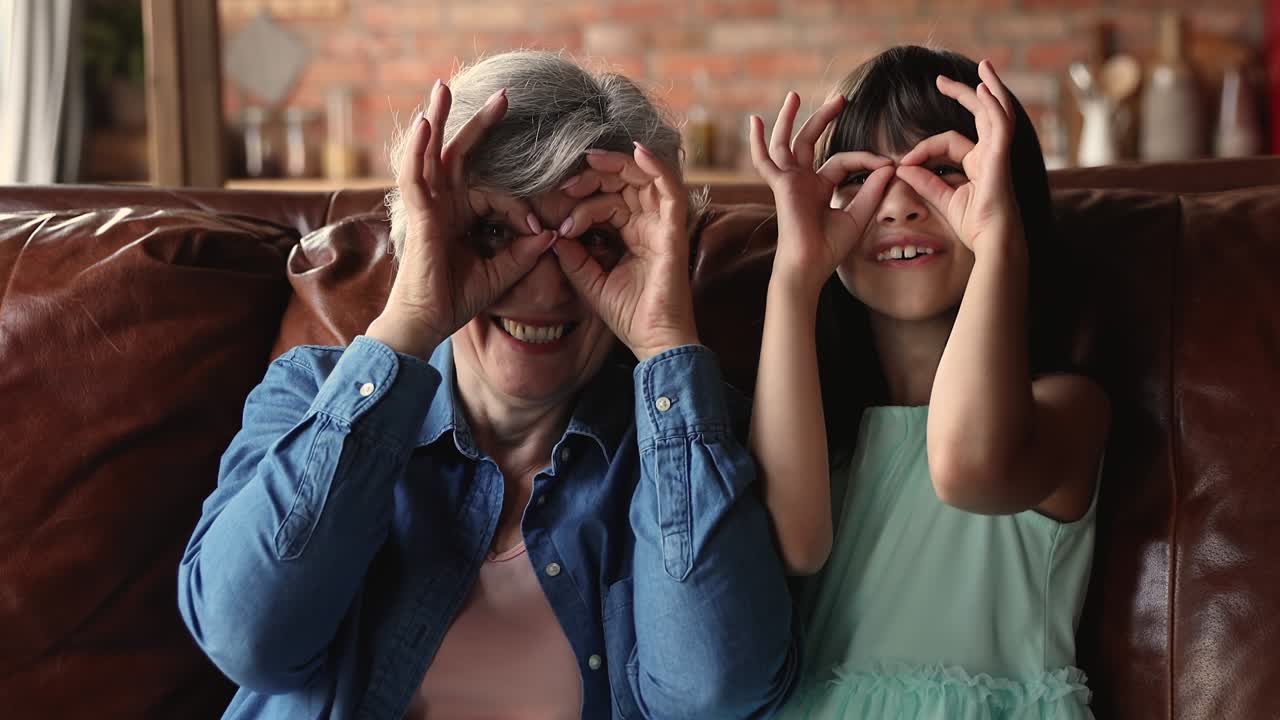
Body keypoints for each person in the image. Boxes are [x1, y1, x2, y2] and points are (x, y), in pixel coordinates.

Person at [178, 50, 796, 720]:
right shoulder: (310, 395)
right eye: (495, 232)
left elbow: (712, 692)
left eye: (594, 241)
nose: (547, 289)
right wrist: (412, 319)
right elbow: (249, 641)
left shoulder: (691, 444)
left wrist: (666, 337)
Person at [747, 46, 1110, 718]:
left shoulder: (1064, 411)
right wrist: (796, 274)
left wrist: (997, 238)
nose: (898, 206)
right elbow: (793, 547)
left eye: (940, 170)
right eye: (864, 179)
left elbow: (968, 467)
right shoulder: (822, 430)